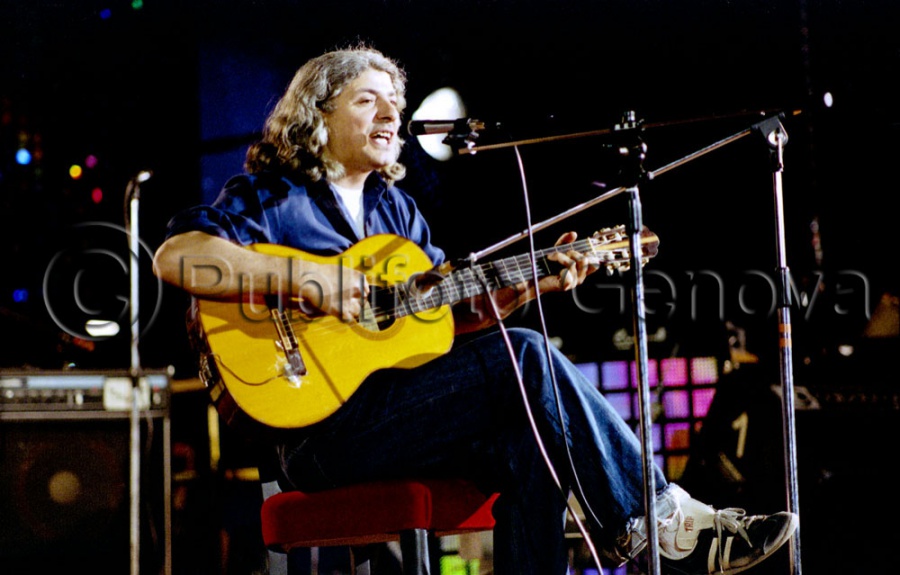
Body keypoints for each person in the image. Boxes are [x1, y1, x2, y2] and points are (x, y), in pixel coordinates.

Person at [153, 45, 798, 575]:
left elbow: (440, 323)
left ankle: (647, 528)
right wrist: (306, 278)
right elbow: (177, 257)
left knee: (533, 442)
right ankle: (661, 524)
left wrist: (523, 290)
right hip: (319, 437)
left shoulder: (396, 213)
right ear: (317, 114)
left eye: (395, 102)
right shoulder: (270, 198)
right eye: (367, 99)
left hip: (403, 420)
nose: (391, 113)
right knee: (525, 355)